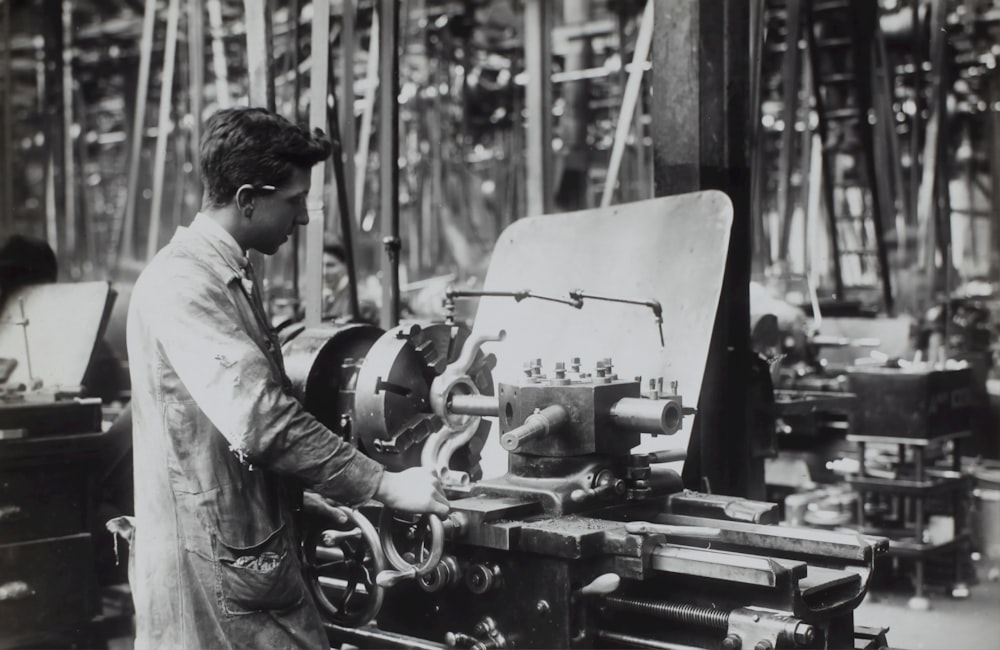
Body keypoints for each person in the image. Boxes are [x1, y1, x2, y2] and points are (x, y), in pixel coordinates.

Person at [125, 107, 449, 649]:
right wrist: (387, 484)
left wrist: (291, 499)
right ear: (248, 198)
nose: (302, 219)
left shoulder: (224, 275)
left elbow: (221, 438)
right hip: (214, 571)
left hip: (236, 546)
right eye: (295, 201)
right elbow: (260, 420)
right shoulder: (183, 284)